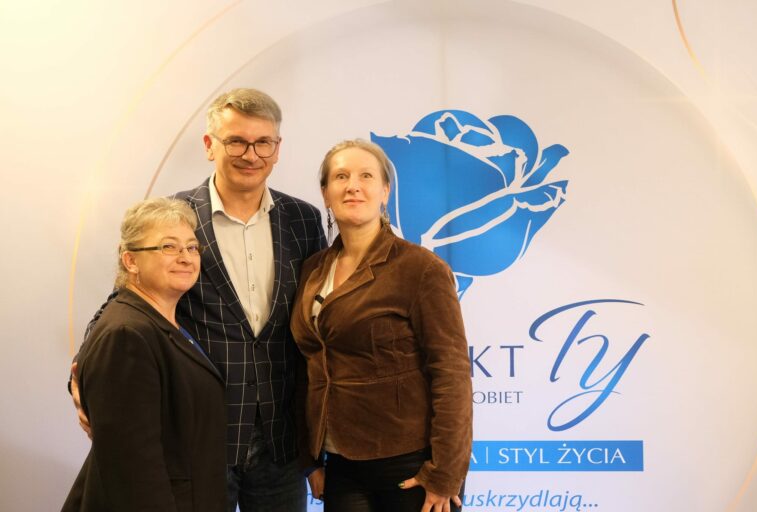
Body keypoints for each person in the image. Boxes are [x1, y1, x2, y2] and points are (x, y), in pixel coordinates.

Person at [70, 88, 326, 512]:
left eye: (263, 142)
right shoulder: (175, 215)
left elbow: (316, 315)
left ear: (277, 149)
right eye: (236, 141)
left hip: (280, 441)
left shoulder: (303, 219)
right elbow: (125, 299)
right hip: (201, 440)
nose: (251, 155)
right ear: (210, 145)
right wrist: (82, 374)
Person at [290, 139, 473, 512]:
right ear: (325, 194)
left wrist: (446, 472)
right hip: (340, 465)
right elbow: (306, 367)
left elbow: (451, 373)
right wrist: (309, 459)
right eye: (341, 176)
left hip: (410, 463)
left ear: (385, 191)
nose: (353, 186)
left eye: (366, 176)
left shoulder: (420, 269)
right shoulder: (313, 269)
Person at [63, 198, 227, 511]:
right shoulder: (126, 336)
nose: (185, 257)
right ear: (131, 261)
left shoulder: (160, 321)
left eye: (192, 247)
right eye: (168, 247)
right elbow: (135, 476)